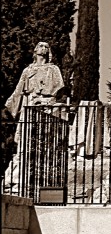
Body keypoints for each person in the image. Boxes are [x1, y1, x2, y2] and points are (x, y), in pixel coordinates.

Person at [3, 42, 66, 188]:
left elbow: (59, 89)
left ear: (48, 51)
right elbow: (19, 90)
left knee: (46, 142)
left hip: (47, 106)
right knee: (26, 141)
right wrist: (11, 104)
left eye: (46, 46)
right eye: (40, 45)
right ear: (35, 50)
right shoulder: (28, 70)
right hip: (30, 105)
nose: (43, 48)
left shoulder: (54, 69)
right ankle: (21, 175)